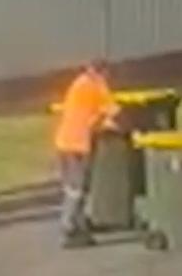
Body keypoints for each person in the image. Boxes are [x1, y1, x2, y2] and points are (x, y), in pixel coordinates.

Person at [54, 59, 120, 248]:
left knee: (71, 187)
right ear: (102, 72)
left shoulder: (78, 83)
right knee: (78, 189)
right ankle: (69, 229)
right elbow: (113, 111)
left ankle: (79, 224)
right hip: (79, 144)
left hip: (63, 141)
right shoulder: (95, 85)